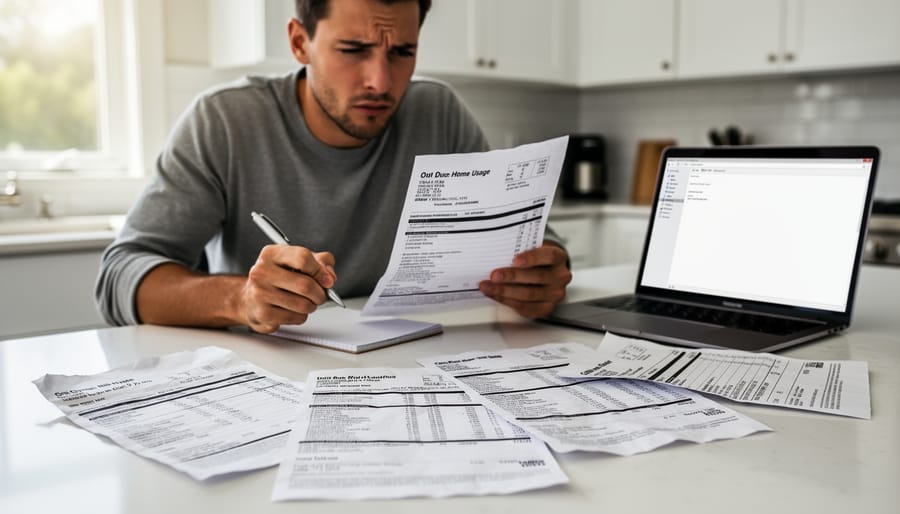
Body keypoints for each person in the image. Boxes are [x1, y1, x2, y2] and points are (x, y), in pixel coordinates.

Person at [95, 0, 572, 333]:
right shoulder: (224, 119)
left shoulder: (438, 112)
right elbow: (120, 276)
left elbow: (528, 240)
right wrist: (240, 299)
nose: (381, 82)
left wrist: (543, 272)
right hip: (266, 375)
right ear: (300, 42)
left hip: (415, 365)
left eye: (402, 52)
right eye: (353, 50)